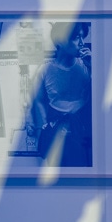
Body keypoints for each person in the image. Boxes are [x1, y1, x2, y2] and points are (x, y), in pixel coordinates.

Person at [24, 21, 92, 167]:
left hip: (82, 131)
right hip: (55, 129)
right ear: (60, 41)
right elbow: (38, 100)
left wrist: (93, 67)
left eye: (83, 37)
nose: (81, 43)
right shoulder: (45, 70)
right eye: (76, 37)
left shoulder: (87, 66)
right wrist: (44, 125)